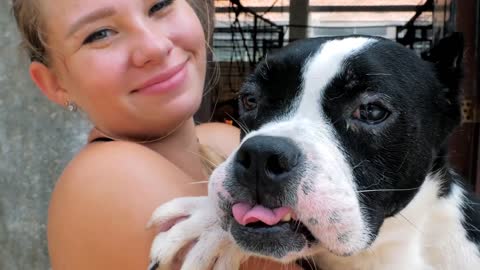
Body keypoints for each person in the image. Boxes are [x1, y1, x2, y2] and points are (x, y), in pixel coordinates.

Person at [12, 0, 301, 269]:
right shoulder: (110, 179)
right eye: (100, 34)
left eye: (160, 5)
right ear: (54, 84)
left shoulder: (223, 142)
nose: (154, 47)